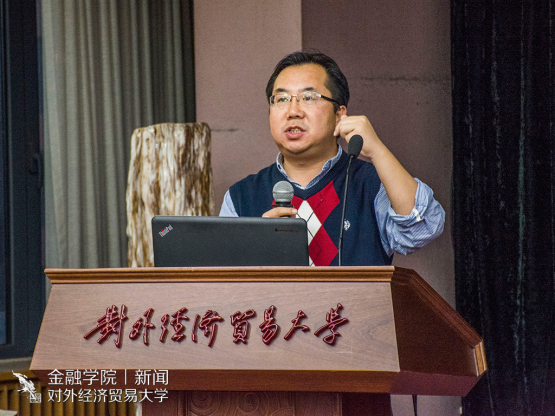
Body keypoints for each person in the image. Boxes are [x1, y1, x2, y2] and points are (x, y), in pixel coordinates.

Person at [219, 51, 444, 266]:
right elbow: (222, 281)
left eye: (308, 97)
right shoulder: (241, 197)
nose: (293, 111)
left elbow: (423, 229)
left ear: (339, 115)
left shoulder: (373, 185)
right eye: (281, 99)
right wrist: (255, 249)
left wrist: (377, 150)